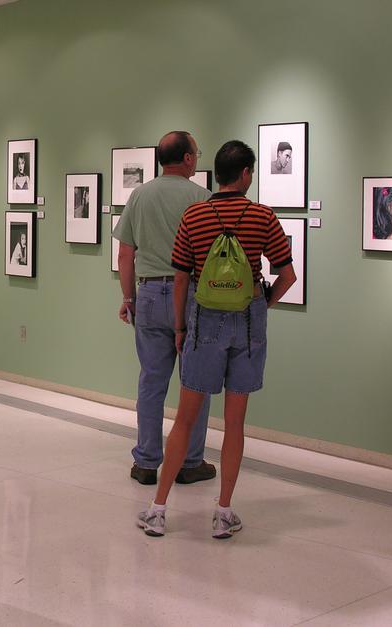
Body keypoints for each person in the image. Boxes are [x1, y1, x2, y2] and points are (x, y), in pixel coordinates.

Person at [136, 140, 296, 539]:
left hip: (202, 321)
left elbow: (181, 278)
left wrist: (179, 327)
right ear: (244, 174)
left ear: (218, 175)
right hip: (247, 323)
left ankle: (158, 510)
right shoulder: (262, 216)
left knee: (185, 418)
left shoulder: (195, 214)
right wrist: (261, 305)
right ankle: (223, 513)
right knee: (235, 422)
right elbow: (288, 274)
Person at [113, 131, 216, 487]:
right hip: (192, 296)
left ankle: (145, 462)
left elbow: (126, 255)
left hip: (150, 294)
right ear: (188, 158)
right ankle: (189, 461)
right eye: (196, 153)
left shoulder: (139, 195)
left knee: (151, 381)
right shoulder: (203, 198)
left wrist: (129, 299)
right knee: (195, 384)